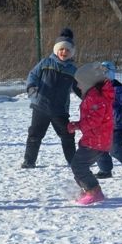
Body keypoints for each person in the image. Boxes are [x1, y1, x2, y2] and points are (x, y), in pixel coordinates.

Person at [21, 28, 79, 168]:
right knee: (35, 135)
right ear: (56, 50)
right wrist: (32, 88)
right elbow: (33, 75)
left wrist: (90, 98)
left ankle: (74, 162)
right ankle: (29, 161)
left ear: (71, 53)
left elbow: (79, 87)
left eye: (67, 51)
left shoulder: (73, 70)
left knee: (67, 136)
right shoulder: (45, 63)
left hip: (60, 110)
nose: (64, 53)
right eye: (61, 49)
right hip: (41, 106)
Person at [67, 62, 115, 205]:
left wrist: (77, 125)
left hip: (96, 141)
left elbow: (94, 120)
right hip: (95, 140)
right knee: (78, 165)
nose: (78, 87)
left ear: (88, 82)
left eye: (80, 84)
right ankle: (89, 190)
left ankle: (94, 192)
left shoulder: (95, 98)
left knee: (78, 166)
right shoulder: (93, 96)